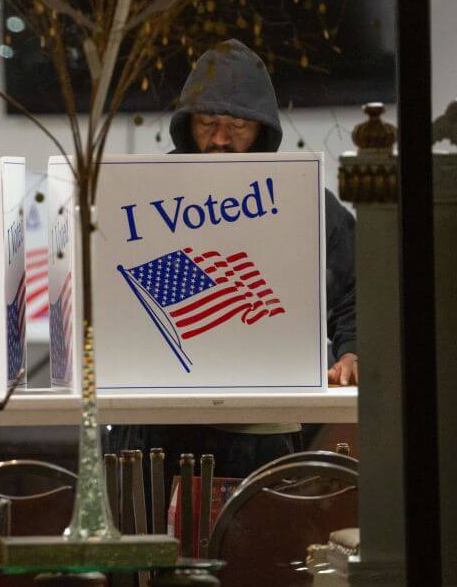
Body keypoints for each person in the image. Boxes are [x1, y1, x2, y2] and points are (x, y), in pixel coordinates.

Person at [107, 39, 357, 489]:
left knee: (255, 551)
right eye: (207, 122)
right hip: (154, 420)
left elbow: (356, 291)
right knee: (147, 551)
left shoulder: (301, 201)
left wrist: (352, 349)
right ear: (187, 124)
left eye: (238, 125)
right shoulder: (139, 197)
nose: (220, 139)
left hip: (262, 423)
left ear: (263, 129)